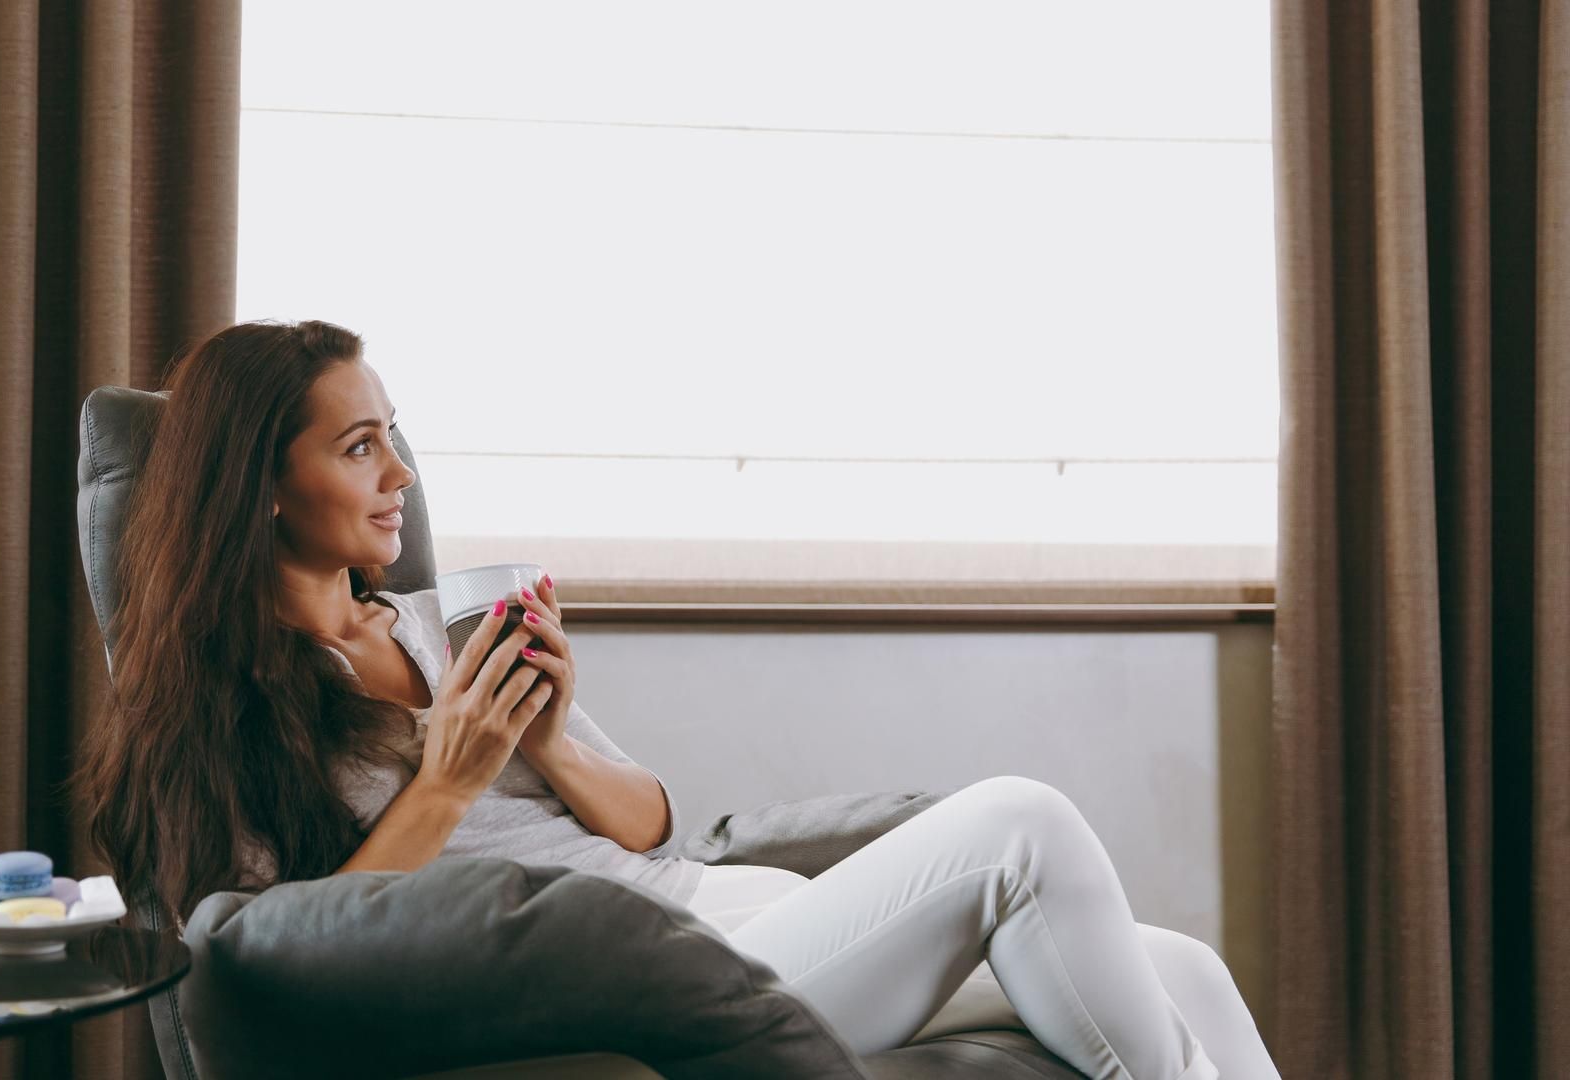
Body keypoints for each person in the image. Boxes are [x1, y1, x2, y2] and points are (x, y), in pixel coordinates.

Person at [68, 319, 1281, 1079]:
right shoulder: (217, 709)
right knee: (1022, 821)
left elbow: (652, 821)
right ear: (263, 487)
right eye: (360, 447)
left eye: (396, 439)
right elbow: (282, 954)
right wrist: (447, 781)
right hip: (666, 982)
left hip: (725, 906)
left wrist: (551, 737)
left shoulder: (440, 624)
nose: (402, 475)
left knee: (1178, 964)